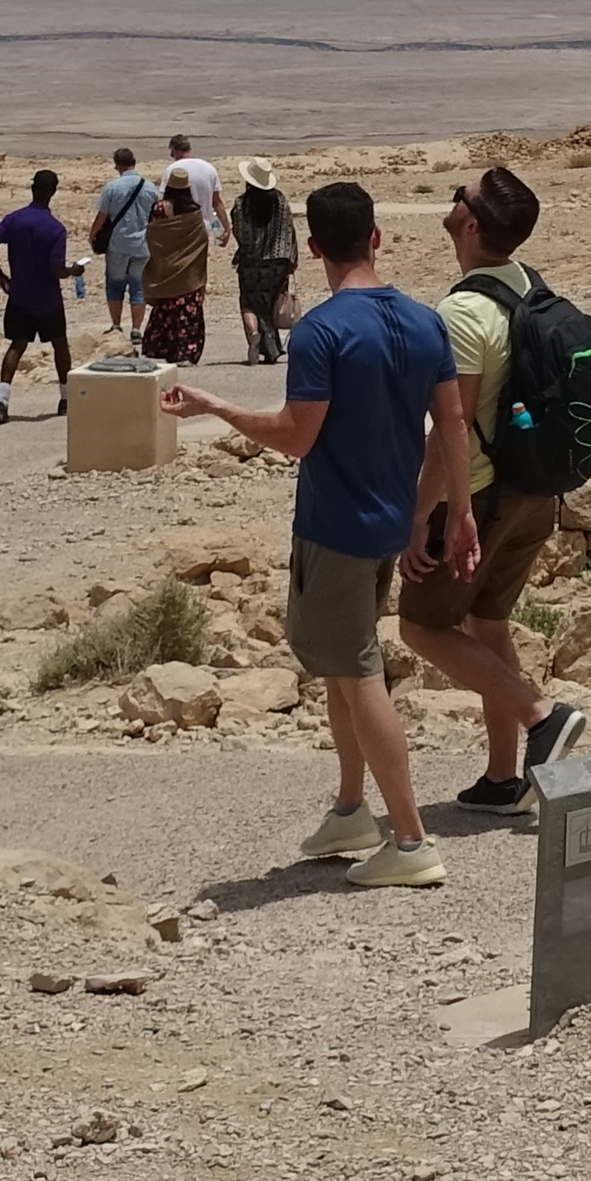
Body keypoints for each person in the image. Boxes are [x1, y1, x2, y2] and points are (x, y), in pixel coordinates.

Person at [162, 180, 459, 889]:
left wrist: (216, 406)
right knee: (340, 660)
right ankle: (353, 808)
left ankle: (411, 841)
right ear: (378, 237)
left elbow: (297, 437)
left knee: (357, 673)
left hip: (337, 526)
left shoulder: (323, 332)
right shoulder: (425, 322)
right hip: (389, 517)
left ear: (315, 249)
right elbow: (451, 424)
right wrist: (449, 513)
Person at [402, 165, 591, 821]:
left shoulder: (462, 311)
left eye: (460, 197)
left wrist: (429, 513)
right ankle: (502, 779)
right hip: (533, 491)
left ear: (473, 223)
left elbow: (450, 426)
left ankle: (543, 716)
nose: (451, 200)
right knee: (488, 624)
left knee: (422, 626)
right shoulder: (524, 285)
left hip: (482, 496)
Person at [0, 169, 78, 422]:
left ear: (32, 188)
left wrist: (0, 276)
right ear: (53, 192)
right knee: (60, 345)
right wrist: (73, 271)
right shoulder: (56, 229)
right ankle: (66, 399)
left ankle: (1, 401)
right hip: (48, 300)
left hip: (20, 295)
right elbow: (55, 270)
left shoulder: (14, 220)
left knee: (17, 346)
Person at [229, 158, 299, 362]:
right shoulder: (280, 201)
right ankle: (271, 349)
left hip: (251, 261)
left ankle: (254, 334)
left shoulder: (242, 204)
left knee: (249, 302)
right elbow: (289, 232)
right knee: (268, 305)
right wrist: (292, 259)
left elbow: (239, 232)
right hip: (278, 261)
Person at [139, 177, 212, 365]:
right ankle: (186, 353)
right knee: (187, 314)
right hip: (188, 272)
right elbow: (201, 238)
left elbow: (153, 234)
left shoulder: (159, 209)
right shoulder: (194, 211)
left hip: (165, 268)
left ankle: (161, 349)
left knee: (165, 309)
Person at [90, 146, 156, 339]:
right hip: (142, 244)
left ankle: (116, 325)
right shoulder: (150, 187)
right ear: (134, 162)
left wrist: (92, 235)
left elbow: (102, 217)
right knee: (138, 287)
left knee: (115, 285)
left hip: (118, 245)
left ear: (117, 165)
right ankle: (136, 329)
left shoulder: (112, 188)